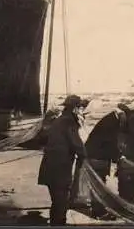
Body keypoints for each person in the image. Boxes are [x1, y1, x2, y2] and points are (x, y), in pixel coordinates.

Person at [84, 101, 134, 219]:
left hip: (131, 150)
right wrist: (119, 156)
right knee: (123, 177)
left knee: (132, 176)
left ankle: (128, 202)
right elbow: (115, 139)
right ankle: (121, 205)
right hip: (122, 149)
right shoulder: (128, 118)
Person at [37, 95, 89, 226]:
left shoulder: (59, 120)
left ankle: (56, 223)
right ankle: (58, 224)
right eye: (80, 107)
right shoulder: (69, 121)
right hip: (60, 167)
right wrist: (83, 155)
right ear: (75, 108)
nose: (81, 110)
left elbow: (45, 137)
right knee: (61, 200)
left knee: (57, 199)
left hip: (49, 164)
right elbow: (76, 142)